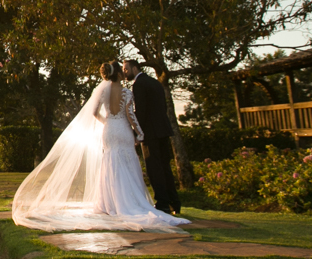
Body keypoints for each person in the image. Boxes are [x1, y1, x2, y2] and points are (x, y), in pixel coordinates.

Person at [11, 61, 189, 232]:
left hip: (109, 130)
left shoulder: (102, 92)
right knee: (128, 163)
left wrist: (107, 123)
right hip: (124, 131)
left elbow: (94, 112)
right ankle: (131, 201)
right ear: (118, 73)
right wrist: (139, 132)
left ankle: (109, 203)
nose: (124, 73)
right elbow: (131, 115)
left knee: (110, 162)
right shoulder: (128, 92)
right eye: (123, 70)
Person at [123, 58, 184, 215]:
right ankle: (174, 203)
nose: (125, 72)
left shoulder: (138, 84)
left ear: (135, 68)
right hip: (163, 130)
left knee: (154, 167)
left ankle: (162, 203)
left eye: (126, 69)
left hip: (150, 132)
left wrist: (136, 132)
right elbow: (162, 107)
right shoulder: (155, 82)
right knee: (165, 167)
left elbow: (141, 112)